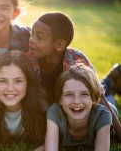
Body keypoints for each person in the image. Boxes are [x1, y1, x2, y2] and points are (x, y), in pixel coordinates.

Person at [29, 12, 121, 140]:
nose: (31, 40)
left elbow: (99, 98)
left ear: (60, 45)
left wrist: (118, 131)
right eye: (31, 34)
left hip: (82, 99)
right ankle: (110, 80)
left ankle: (111, 81)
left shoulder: (77, 61)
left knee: (105, 98)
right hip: (57, 105)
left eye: (39, 37)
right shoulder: (29, 59)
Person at [43, 64, 112, 151]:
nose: (76, 101)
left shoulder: (103, 115)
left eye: (84, 94)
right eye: (69, 94)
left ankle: (111, 80)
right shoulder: (54, 112)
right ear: (60, 99)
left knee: (110, 97)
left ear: (94, 99)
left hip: (108, 105)